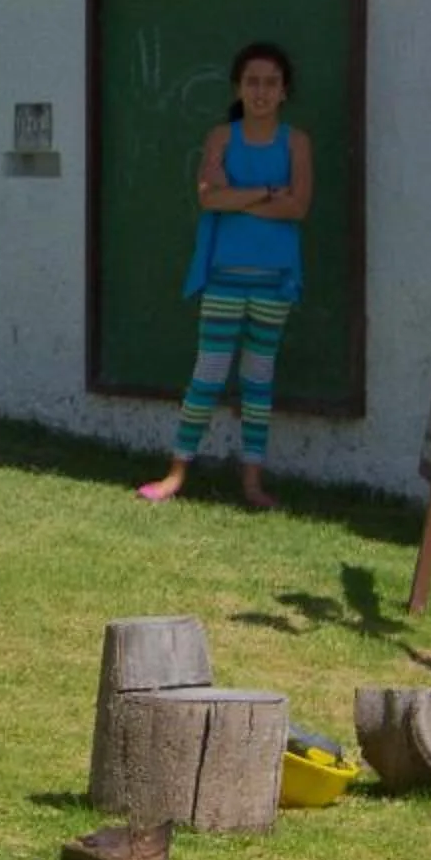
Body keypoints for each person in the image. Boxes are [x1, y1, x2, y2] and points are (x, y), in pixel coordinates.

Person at [136, 39, 311, 513]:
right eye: (252, 82)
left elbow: (298, 206)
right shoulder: (222, 138)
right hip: (223, 278)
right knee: (207, 375)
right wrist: (267, 192)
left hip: (275, 280)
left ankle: (252, 483)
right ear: (238, 87)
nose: (260, 91)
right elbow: (209, 197)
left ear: (283, 91)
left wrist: (241, 194)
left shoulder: (295, 142)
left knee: (258, 381)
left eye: (270, 83)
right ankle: (176, 473)